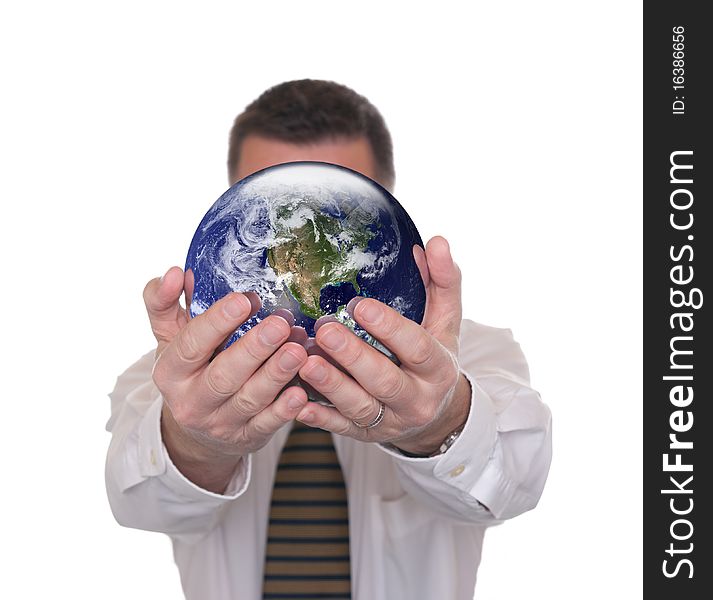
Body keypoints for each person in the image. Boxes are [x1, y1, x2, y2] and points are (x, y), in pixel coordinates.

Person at [105, 79, 552, 600]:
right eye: (274, 206)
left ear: (388, 205)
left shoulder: (469, 357)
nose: (303, 231)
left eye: (337, 205)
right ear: (230, 206)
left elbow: (515, 483)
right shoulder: (174, 378)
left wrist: (442, 421)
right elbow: (138, 503)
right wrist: (194, 443)